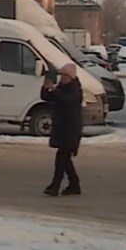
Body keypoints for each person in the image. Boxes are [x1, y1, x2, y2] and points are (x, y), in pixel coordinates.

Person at [41, 62, 83, 197]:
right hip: (62, 128)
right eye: (61, 76)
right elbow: (46, 97)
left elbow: (68, 100)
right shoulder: (62, 87)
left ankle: (55, 186)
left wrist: (55, 90)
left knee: (61, 158)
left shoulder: (75, 89)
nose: (61, 79)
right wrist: (45, 86)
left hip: (71, 129)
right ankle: (74, 184)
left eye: (64, 76)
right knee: (65, 159)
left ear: (70, 77)